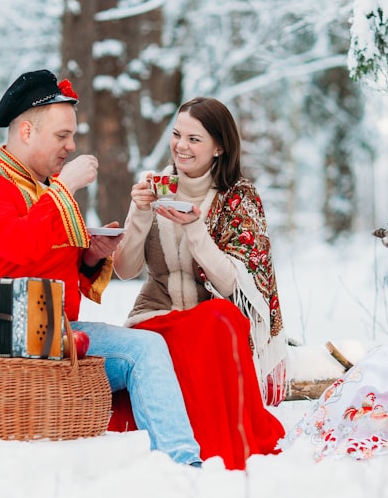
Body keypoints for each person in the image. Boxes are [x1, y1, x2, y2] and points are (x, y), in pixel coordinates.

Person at [0, 69, 202, 467]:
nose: (71, 146)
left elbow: (53, 267)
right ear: (27, 132)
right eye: (62, 136)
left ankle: (181, 467)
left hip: (51, 332)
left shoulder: (50, 191)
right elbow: (19, 245)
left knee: (146, 347)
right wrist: (65, 188)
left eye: (73, 136)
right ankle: (180, 464)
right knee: (117, 341)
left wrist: (90, 255)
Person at [113, 97, 289, 470]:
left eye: (195, 139)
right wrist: (140, 214)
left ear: (219, 147)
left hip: (210, 324)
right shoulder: (155, 186)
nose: (181, 146)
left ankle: (218, 447)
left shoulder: (238, 199)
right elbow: (126, 270)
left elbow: (233, 287)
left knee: (218, 319)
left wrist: (195, 228)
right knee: (171, 337)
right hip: (156, 316)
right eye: (177, 135)